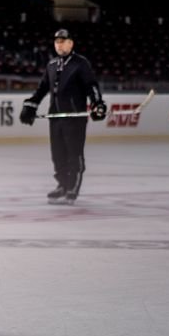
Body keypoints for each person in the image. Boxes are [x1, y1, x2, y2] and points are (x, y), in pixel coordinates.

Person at [19, 28, 107, 205]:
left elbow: (91, 85)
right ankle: (62, 184)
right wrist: (30, 105)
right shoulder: (51, 65)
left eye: (63, 41)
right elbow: (42, 88)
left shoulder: (80, 63)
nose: (59, 44)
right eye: (57, 42)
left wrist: (97, 103)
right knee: (57, 154)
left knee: (74, 153)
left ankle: (72, 187)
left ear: (70, 43)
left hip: (74, 117)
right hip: (55, 116)